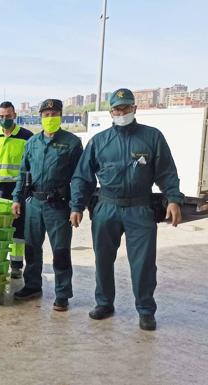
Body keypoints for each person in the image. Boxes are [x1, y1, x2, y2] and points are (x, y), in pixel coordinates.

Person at [70, 88, 183, 330]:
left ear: (134, 108)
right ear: (111, 111)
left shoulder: (152, 137)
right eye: (116, 109)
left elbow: (166, 171)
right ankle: (104, 303)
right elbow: (82, 177)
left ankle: (145, 309)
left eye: (125, 108)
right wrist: (76, 206)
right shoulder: (99, 141)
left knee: (143, 262)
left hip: (140, 208)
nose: (121, 113)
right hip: (106, 207)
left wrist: (173, 199)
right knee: (103, 259)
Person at [12, 99, 83, 311]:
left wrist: (76, 206)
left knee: (60, 251)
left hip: (59, 206)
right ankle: (33, 285)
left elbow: (80, 177)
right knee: (31, 248)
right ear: (40, 117)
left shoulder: (72, 143)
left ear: (60, 116)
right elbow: (23, 173)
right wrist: (17, 198)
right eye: (45, 115)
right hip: (34, 203)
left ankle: (62, 294)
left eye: (53, 114)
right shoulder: (32, 143)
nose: (49, 118)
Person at [0, 101, 33, 279]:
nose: (4, 119)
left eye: (8, 116)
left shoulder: (27, 137)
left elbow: (31, 166)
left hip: (17, 189)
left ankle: (17, 265)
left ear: (15, 116)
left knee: (18, 230)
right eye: (1, 116)